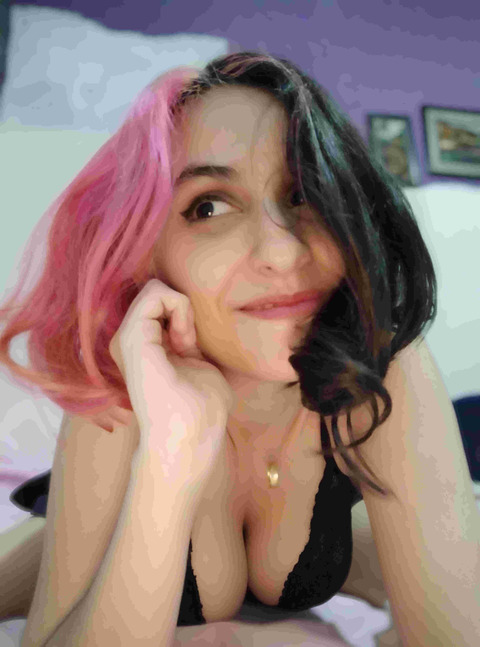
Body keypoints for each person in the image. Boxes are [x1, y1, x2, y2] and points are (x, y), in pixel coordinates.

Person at [0, 51, 478, 647]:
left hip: (323, 545)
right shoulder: (124, 390)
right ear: (146, 254)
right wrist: (170, 459)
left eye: (304, 193)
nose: (283, 253)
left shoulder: (383, 362)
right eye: (209, 206)